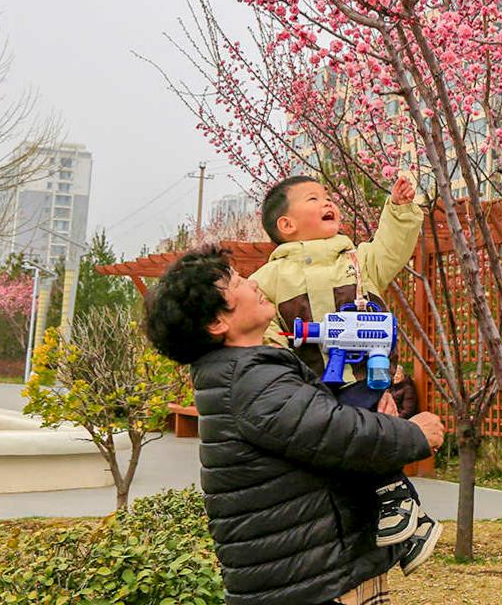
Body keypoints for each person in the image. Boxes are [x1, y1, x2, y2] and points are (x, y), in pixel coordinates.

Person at [143, 245, 445, 605]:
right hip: (314, 581)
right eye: (236, 282)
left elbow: (317, 426)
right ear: (217, 322)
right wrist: (415, 434)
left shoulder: (242, 373)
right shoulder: (250, 379)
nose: (253, 284)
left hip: (310, 573)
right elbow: (335, 433)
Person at [251, 173, 438, 564]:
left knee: (364, 433)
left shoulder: (358, 262)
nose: (326, 202)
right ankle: (409, 523)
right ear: (286, 225)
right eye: (313, 199)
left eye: (327, 196)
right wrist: (278, 344)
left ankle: (397, 500)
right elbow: (257, 320)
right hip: (310, 387)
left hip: (361, 377)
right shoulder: (269, 278)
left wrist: (400, 210)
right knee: (340, 452)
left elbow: (391, 248)